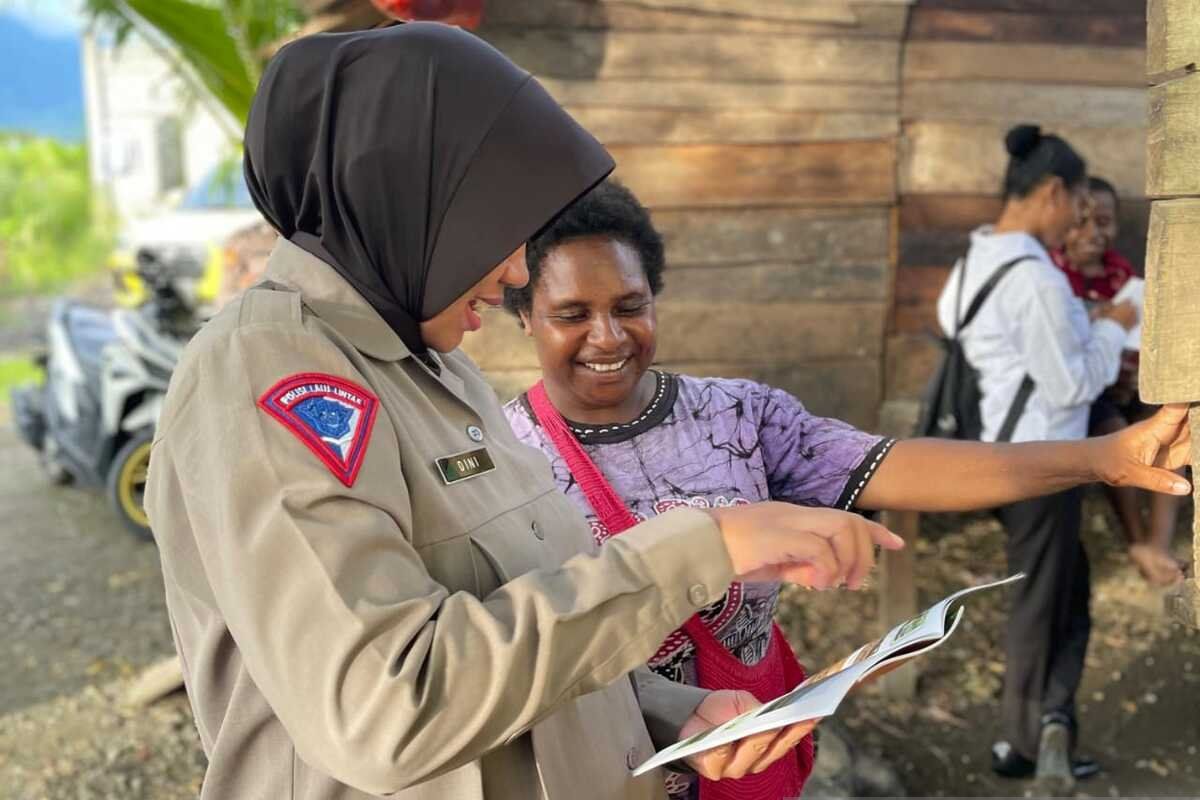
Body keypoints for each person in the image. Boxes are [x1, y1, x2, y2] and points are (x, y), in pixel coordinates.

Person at [144, 23, 910, 800]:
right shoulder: (265, 371)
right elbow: (388, 708)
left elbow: (517, 621)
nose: (514, 270)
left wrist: (668, 714)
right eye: (497, 230)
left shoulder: (440, 371)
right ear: (407, 199)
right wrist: (703, 547)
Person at [500, 179, 1192, 799]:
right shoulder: (502, 461)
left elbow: (898, 464)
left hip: (755, 752)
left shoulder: (735, 416)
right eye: (572, 314)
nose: (608, 336)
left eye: (631, 305)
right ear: (525, 313)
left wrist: (1103, 457)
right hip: (604, 775)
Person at [934, 124, 1148, 793]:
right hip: (1042, 462)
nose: (1076, 219)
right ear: (1052, 192)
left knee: (1063, 592)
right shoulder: (1035, 279)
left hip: (995, 448)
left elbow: (953, 326)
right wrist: (1110, 327)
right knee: (1039, 601)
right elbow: (1073, 385)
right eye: (1075, 203)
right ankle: (1021, 743)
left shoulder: (975, 261)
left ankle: (1047, 723)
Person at [1052, 176, 1185, 586]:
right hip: (1084, 397)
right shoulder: (1053, 276)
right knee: (1113, 431)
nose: (1093, 232)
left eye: (1104, 221)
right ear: (1061, 222)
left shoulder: (1120, 273)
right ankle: (1136, 538)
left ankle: (1158, 543)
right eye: (1081, 221)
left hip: (1124, 383)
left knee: (1175, 424)